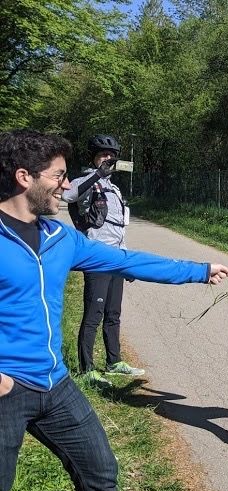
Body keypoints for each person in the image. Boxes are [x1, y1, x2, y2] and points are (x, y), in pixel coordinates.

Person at [0, 128, 228, 491]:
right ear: (24, 178)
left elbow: (128, 261)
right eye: (59, 177)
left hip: (54, 382)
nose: (67, 187)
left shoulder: (61, 237)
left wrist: (198, 270)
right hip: (4, 390)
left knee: (101, 470)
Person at [63, 134, 142, 386]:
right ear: (94, 158)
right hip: (97, 257)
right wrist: (97, 174)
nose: (108, 160)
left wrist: (126, 259)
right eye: (102, 156)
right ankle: (87, 370)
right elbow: (68, 196)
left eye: (111, 156)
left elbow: (118, 228)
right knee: (93, 314)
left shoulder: (115, 189)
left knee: (113, 313)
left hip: (116, 257)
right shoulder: (86, 180)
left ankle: (114, 361)